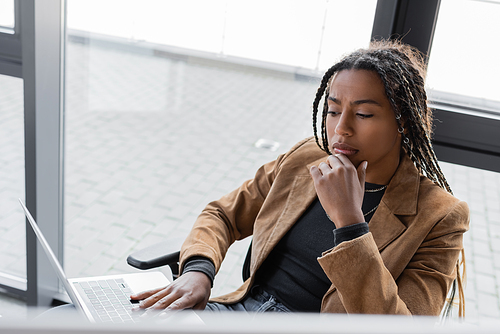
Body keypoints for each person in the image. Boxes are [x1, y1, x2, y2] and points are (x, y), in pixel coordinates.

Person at [131, 40, 469, 317]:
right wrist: (197, 271)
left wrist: (350, 223)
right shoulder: (307, 157)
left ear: (403, 123)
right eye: (333, 110)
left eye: (364, 114)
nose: (341, 129)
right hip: (239, 313)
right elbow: (222, 214)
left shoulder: (439, 217)